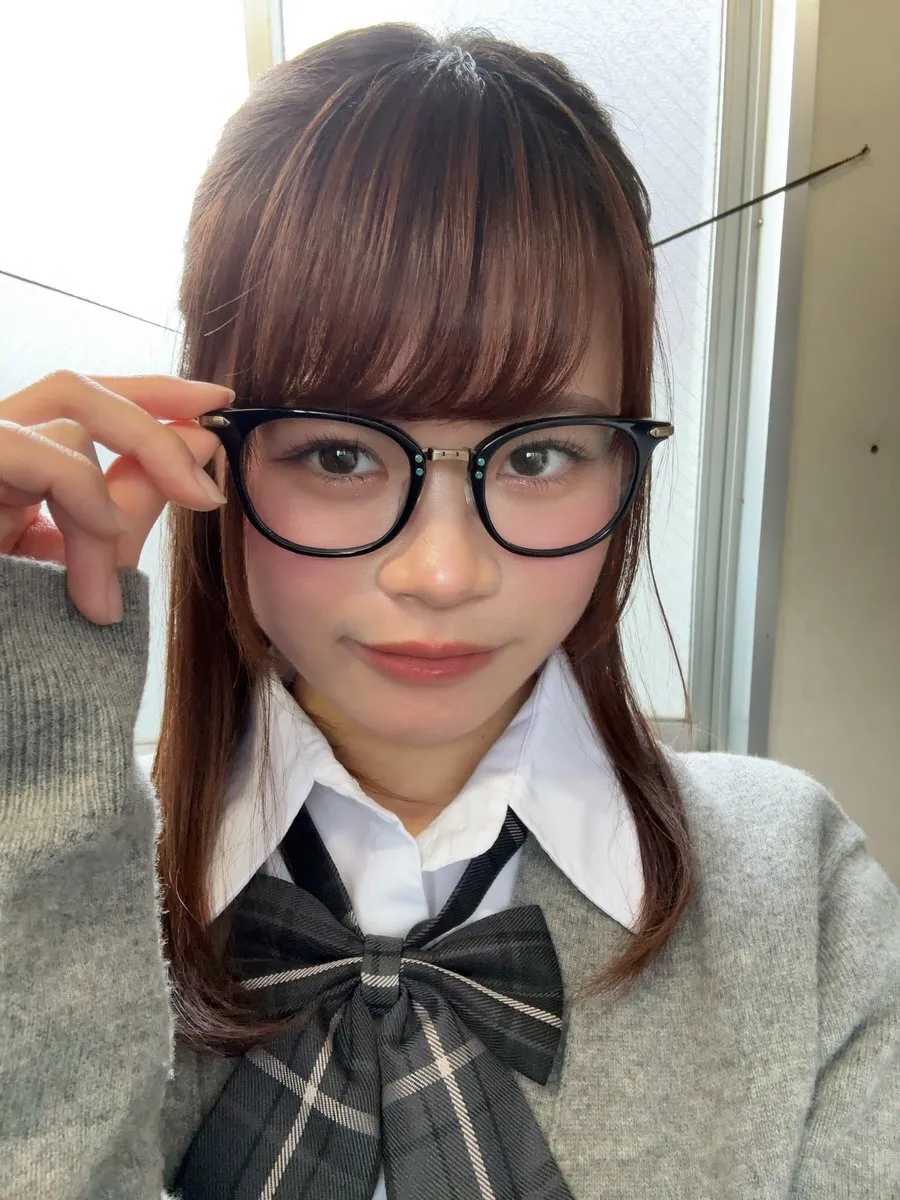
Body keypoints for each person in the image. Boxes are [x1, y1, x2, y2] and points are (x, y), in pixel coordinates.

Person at [1, 22, 897, 1200]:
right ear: (211, 458)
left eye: (536, 456)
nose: (440, 573)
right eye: (336, 453)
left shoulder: (796, 888)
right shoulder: (45, 867)